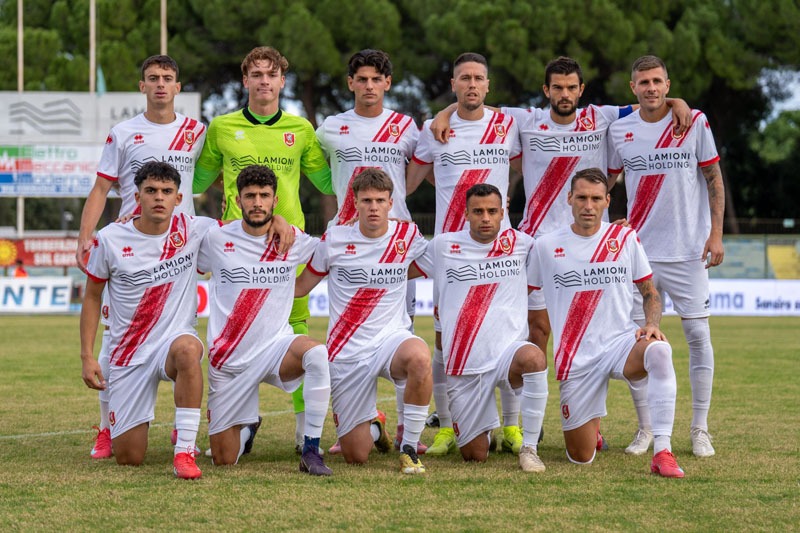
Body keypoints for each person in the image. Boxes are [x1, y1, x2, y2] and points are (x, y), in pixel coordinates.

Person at [429, 55, 691, 453]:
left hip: (590, 242)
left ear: (581, 91)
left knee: (605, 329)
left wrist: (680, 104)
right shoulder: (526, 119)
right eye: (557, 87)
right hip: (538, 243)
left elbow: (649, 102)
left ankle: (644, 429)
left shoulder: (600, 117)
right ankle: (516, 426)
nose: (565, 94)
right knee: (530, 334)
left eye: (572, 87)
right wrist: (446, 112)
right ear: (546, 90)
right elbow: (475, 101)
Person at [194, 46, 334, 453]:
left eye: (271, 75)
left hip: (287, 251)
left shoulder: (301, 130)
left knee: (299, 335)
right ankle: (240, 417)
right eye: (255, 74)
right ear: (245, 81)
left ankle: (303, 434)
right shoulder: (221, 127)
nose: (264, 81)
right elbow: (197, 180)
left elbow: (328, 182)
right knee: (235, 337)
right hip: (239, 252)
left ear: (282, 81)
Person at [76, 54, 207, 459]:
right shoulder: (124, 132)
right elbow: (101, 188)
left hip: (180, 246)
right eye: (153, 78)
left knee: (183, 339)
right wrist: (85, 236)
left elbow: (219, 175)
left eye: (168, 78)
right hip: (132, 247)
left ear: (178, 87)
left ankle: (184, 434)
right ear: (142, 86)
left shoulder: (196, 131)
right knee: (117, 333)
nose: (161, 85)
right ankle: (107, 424)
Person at [529, 168, 684, 477]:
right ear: (569, 198)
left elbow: (650, 292)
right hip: (576, 358)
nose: (588, 206)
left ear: (607, 201)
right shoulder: (545, 246)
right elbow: (529, 298)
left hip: (619, 344)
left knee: (659, 351)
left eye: (596, 199)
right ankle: (591, 424)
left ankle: (663, 450)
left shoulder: (623, 238)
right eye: (582, 198)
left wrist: (652, 324)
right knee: (581, 456)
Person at [406, 52, 524, 457]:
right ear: (454, 85)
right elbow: (407, 186)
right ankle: (444, 426)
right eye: (464, 79)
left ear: (488, 86)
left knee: (508, 335)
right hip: (451, 251)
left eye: (478, 78)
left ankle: (511, 427)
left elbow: (538, 153)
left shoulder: (510, 123)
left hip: (500, 249)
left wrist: (676, 103)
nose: (472, 85)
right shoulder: (433, 130)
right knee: (443, 337)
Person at [608, 55, 724, 458]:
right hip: (639, 252)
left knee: (698, 336)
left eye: (658, 81)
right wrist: (611, 223)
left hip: (689, 250)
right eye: (644, 82)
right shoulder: (620, 129)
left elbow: (713, 178)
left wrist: (716, 233)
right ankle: (645, 429)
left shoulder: (694, 122)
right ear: (632, 87)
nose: (652, 88)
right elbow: (608, 181)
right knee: (640, 342)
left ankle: (700, 429)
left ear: (668, 83)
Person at [315, 48, 424, 455]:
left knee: (404, 333)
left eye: (376, 79)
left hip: (396, 243)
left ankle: (404, 433)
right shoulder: (331, 127)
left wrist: (400, 199)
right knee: (349, 337)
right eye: (361, 79)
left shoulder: (404, 126)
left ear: (387, 83)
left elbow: (420, 165)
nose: (368, 86)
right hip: (349, 243)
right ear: (350, 83)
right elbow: (319, 171)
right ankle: (362, 420)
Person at [80, 161, 219, 479]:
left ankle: (184, 450)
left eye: (167, 191)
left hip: (173, 342)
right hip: (129, 354)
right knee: (129, 457)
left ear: (178, 197)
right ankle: (118, 429)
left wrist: (278, 220)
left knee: (187, 350)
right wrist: (87, 356)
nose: (159, 197)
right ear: (137, 195)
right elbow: (91, 297)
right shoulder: (111, 238)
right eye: (151, 191)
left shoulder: (195, 229)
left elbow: (248, 230)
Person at [197, 165, 332, 475]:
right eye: (250, 196)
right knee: (224, 459)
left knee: (317, 354)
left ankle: (311, 449)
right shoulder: (216, 238)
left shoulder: (291, 238)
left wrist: (300, 286)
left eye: (264, 196)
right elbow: (173, 235)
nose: (257, 202)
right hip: (229, 358)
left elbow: (328, 252)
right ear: (238, 199)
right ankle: (248, 424)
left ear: (275, 200)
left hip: (275, 348)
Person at [295, 169, 431, 475]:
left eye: (380, 200)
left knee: (420, 358)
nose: (373, 207)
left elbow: (431, 265)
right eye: (367, 200)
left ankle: (409, 448)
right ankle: (375, 427)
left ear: (390, 203)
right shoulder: (335, 240)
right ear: (355, 203)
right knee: (356, 455)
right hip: (347, 352)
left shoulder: (407, 236)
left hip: (391, 340)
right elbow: (302, 286)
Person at [412, 183, 549, 472]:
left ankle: (530, 448)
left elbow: (568, 250)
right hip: (465, 364)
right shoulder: (443, 246)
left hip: (507, 354)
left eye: (491, 211)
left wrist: (613, 233)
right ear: (466, 214)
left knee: (535, 358)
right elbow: (399, 264)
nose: (485, 217)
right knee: (475, 455)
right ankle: (483, 431)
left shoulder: (524, 244)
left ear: (503, 212)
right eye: (478, 211)